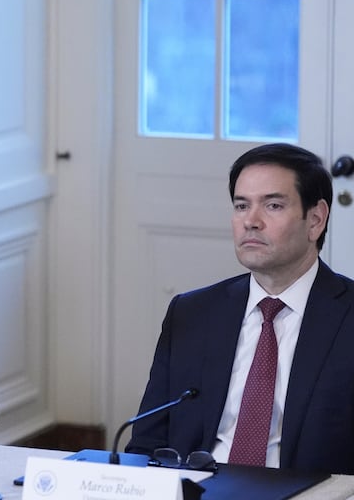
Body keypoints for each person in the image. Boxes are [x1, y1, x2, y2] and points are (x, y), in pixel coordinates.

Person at [126, 143, 354, 474]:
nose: (251, 221)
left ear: (316, 220)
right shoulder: (191, 313)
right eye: (241, 205)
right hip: (198, 487)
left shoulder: (346, 315)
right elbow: (147, 441)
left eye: (273, 205)